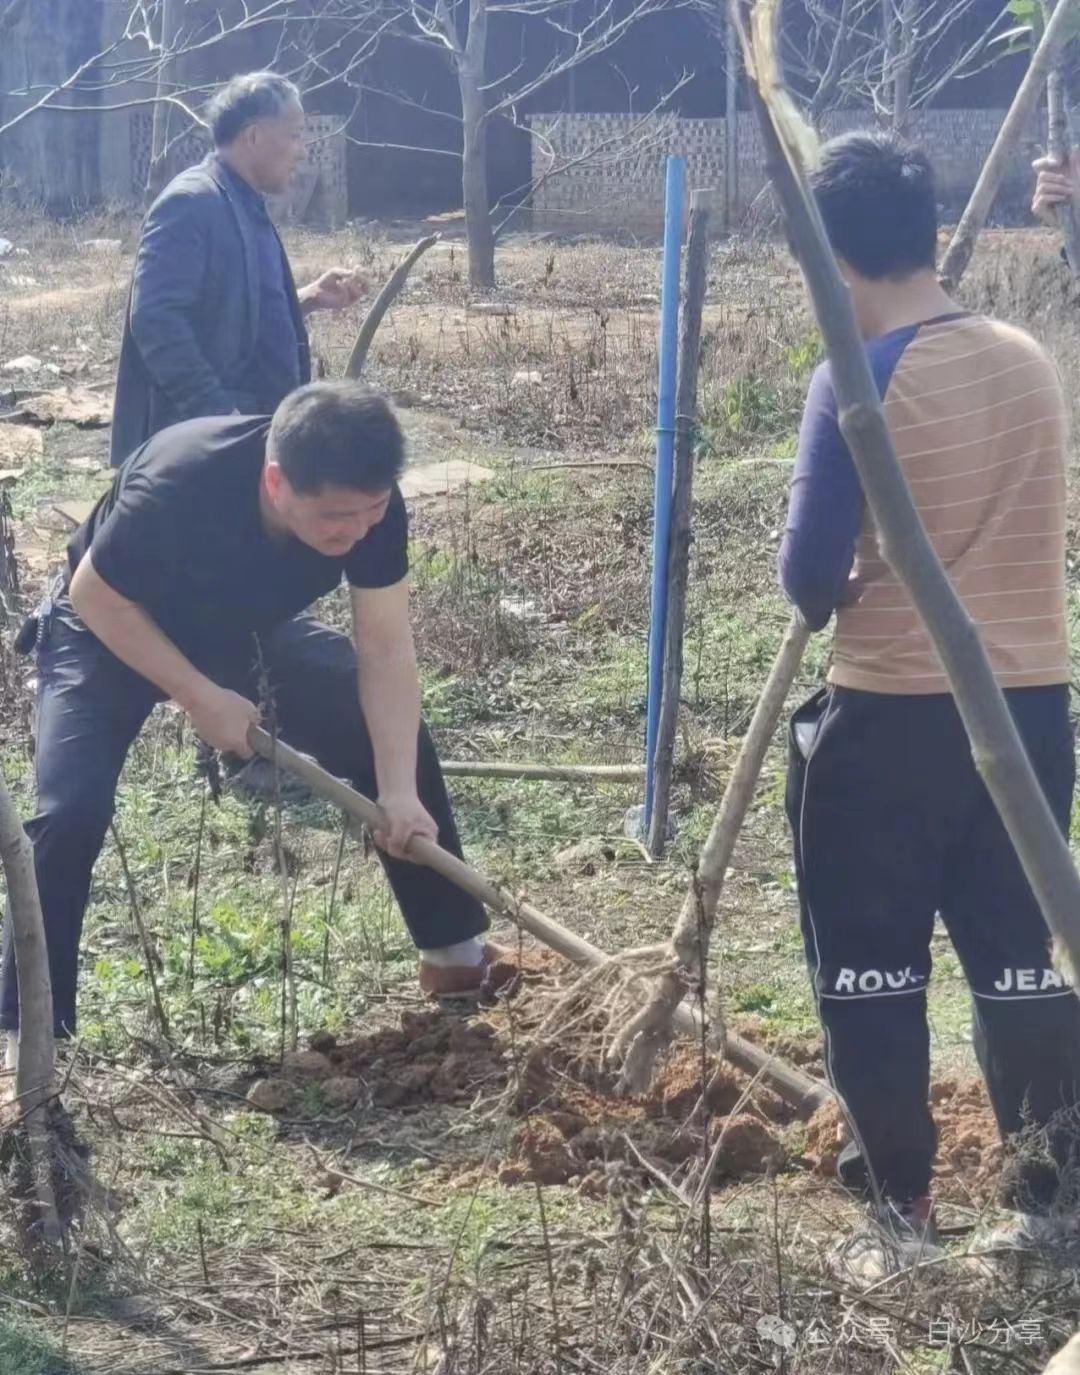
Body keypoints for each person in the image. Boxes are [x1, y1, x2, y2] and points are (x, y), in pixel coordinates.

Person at [780, 132, 1080, 1282]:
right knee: (1019, 959)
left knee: (870, 968)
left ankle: (900, 1215)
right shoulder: (1028, 357)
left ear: (827, 250)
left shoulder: (857, 378)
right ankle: (1050, 1206)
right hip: (1032, 709)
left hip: (893, 714)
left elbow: (811, 579)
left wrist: (847, 576)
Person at [2, 382, 498, 1070]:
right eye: (334, 519)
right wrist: (200, 695)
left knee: (388, 737)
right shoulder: (181, 480)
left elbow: (385, 649)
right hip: (108, 631)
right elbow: (94, 593)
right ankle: (28, 1037)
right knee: (68, 809)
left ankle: (453, 952)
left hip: (238, 630)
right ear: (276, 481)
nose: (355, 532)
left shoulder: (372, 508)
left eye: (372, 511)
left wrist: (397, 789)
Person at [110, 71, 365, 469]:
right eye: (296, 135)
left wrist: (308, 298)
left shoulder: (241, 200)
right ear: (254, 136)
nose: (303, 150)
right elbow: (156, 321)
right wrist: (220, 420)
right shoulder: (192, 202)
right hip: (202, 450)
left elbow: (229, 312)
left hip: (248, 434)